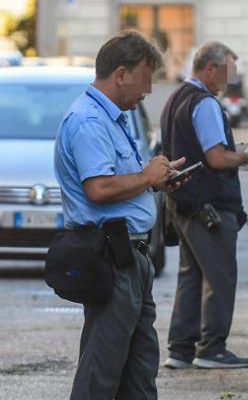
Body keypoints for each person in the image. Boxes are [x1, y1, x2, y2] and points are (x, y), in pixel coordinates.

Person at [54, 31, 183, 399]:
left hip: (132, 256)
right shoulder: (89, 121)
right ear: (121, 73)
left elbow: (118, 181)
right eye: (145, 78)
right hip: (112, 256)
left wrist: (153, 180)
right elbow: (98, 189)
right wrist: (146, 177)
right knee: (103, 369)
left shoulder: (113, 117)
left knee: (140, 367)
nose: (147, 90)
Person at [161, 41, 248, 369]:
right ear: (210, 68)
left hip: (182, 202)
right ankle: (211, 349)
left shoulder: (175, 98)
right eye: (227, 72)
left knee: (190, 276)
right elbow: (216, 157)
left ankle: (180, 350)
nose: (229, 80)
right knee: (220, 278)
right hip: (208, 206)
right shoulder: (204, 103)